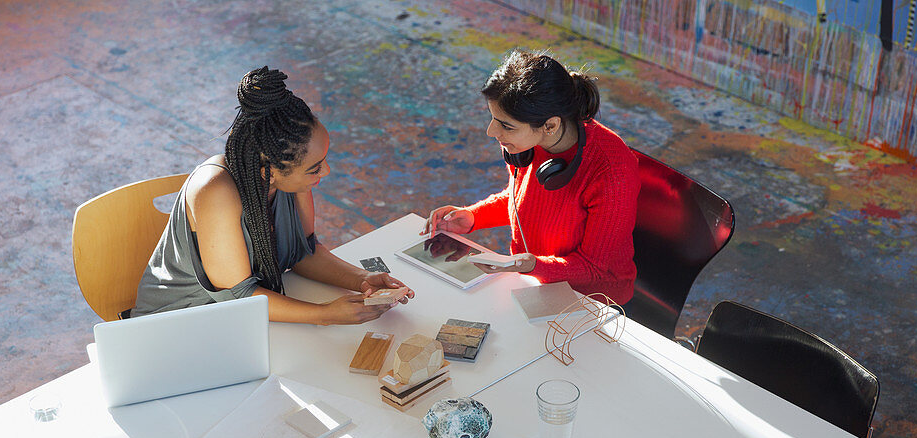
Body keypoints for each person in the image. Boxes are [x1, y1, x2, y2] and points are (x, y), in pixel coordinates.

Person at [132, 66, 412, 322]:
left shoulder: (288, 181)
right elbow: (238, 297)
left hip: (245, 322)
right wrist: (325, 314)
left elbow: (303, 253)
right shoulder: (215, 192)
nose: (325, 171)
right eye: (314, 168)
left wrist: (363, 279)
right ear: (269, 170)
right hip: (180, 324)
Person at [424, 50, 639, 304]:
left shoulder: (611, 171)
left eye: (505, 125)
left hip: (593, 300)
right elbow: (521, 198)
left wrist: (530, 265)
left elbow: (594, 268)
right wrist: (472, 217)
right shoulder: (523, 143)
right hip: (531, 280)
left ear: (550, 126)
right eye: (494, 119)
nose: (491, 132)